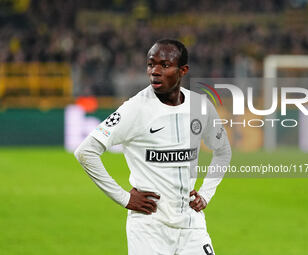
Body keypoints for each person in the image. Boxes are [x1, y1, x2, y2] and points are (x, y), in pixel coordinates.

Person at [74, 39, 231, 255]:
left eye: (164, 65)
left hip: (192, 226)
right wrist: (125, 198)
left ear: (183, 70)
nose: (155, 71)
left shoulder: (200, 106)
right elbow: (85, 151)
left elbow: (223, 152)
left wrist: (206, 193)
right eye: (151, 64)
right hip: (149, 228)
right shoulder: (134, 109)